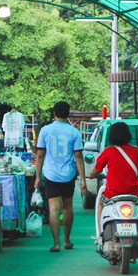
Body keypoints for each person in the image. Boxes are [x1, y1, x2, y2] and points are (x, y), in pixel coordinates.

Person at [34, 101, 85, 252]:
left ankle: (56, 243)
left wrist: (37, 177)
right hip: (68, 174)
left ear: (54, 113)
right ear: (68, 114)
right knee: (67, 207)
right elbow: (78, 156)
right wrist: (82, 178)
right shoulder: (74, 132)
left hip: (50, 174)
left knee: (53, 209)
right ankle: (67, 240)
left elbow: (40, 155)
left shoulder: (45, 130)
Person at [87, 122, 138, 236]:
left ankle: (100, 234)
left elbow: (97, 170)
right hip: (133, 194)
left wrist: (90, 176)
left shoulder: (108, 151)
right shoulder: (137, 151)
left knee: (100, 203)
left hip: (113, 193)